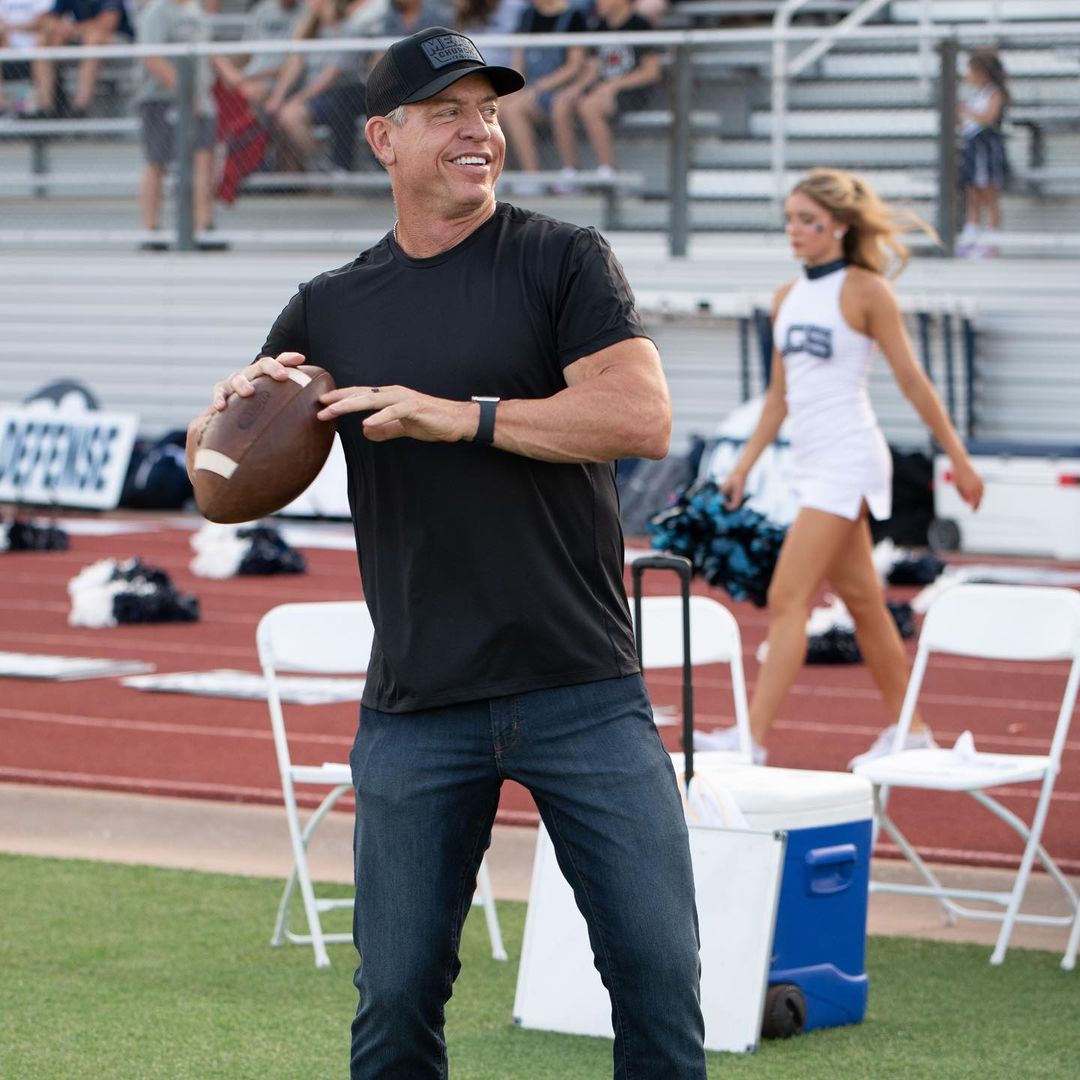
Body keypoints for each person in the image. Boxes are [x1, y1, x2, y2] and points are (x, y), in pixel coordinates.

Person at [186, 26, 707, 1078]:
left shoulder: (562, 258)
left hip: (581, 685)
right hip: (419, 700)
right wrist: (221, 415)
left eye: (489, 111)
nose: (479, 131)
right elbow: (218, 484)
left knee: (658, 977)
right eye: (448, 113)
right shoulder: (330, 305)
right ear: (384, 137)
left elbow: (640, 417)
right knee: (395, 999)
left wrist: (457, 416)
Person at [693, 168, 984, 770]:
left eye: (808, 220)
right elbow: (779, 398)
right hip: (810, 463)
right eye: (790, 220)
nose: (794, 231)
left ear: (842, 226)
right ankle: (913, 731)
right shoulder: (787, 297)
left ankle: (752, 741)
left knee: (788, 595)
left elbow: (912, 381)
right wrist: (743, 465)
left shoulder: (866, 291)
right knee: (864, 603)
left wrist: (958, 459)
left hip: (849, 459)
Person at [136, 0, 229, 249]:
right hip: (161, 98)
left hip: (201, 99)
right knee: (157, 162)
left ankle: (203, 226)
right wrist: (187, 94)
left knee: (204, 159)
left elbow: (208, 50)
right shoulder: (156, 12)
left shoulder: (195, 11)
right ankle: (150, 229)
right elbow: (152, 58)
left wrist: (234, 78)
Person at [549, 0, 661, 190]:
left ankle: (608, 169)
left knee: (589, 105)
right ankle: (570, 170)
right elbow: (595, 67)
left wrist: (613, 86)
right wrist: (575, 89)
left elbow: (651, 72)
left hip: (633, 90)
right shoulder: (599, 25)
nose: (597, 2)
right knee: (562, 101)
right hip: (603, 88)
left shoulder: (640, 24)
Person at [263, 0, 369, 171]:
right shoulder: (309, 29)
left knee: (290, 115)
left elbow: (330, 77)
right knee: (280, 115)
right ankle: (312, 168)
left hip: (339, 95)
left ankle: (322, 165)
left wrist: (298, 99)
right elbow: (293, 66)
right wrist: (277, 97)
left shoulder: (349, 29)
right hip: (312, 97)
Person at [497, 0, 588, 186]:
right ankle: (499, 175)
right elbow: (518, 61)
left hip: (559, 88)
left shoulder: (574, 16)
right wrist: (517, 86)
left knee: (516, 110)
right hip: (530, 88)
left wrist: (540, 86)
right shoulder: (527, 15)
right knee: (496, 107)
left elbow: (574, 65)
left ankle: (539, 175)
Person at [28, 0, 134, 118]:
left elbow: (107, 24)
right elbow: (48, 18)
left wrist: (71, 30)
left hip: (119, 45)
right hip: (83, 39)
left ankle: (80, 107)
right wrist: (57, 27)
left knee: (94, 38)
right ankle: (45, 108)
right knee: (44, 39)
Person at [956, 47, 1009, 259]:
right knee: (973, 194)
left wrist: (967, 111)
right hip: (973, 148)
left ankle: (992, 241)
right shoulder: (978, 95)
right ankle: (970, 237)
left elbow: (988, 118)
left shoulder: (995, 93)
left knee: (989, 195)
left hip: (987, 149)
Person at [0, 0, 52, 115]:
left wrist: (11, 27)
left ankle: (45, 108)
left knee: (41, 54)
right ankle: (2, 107)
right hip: (7, 47)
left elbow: (44, 22)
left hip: (36, 46)